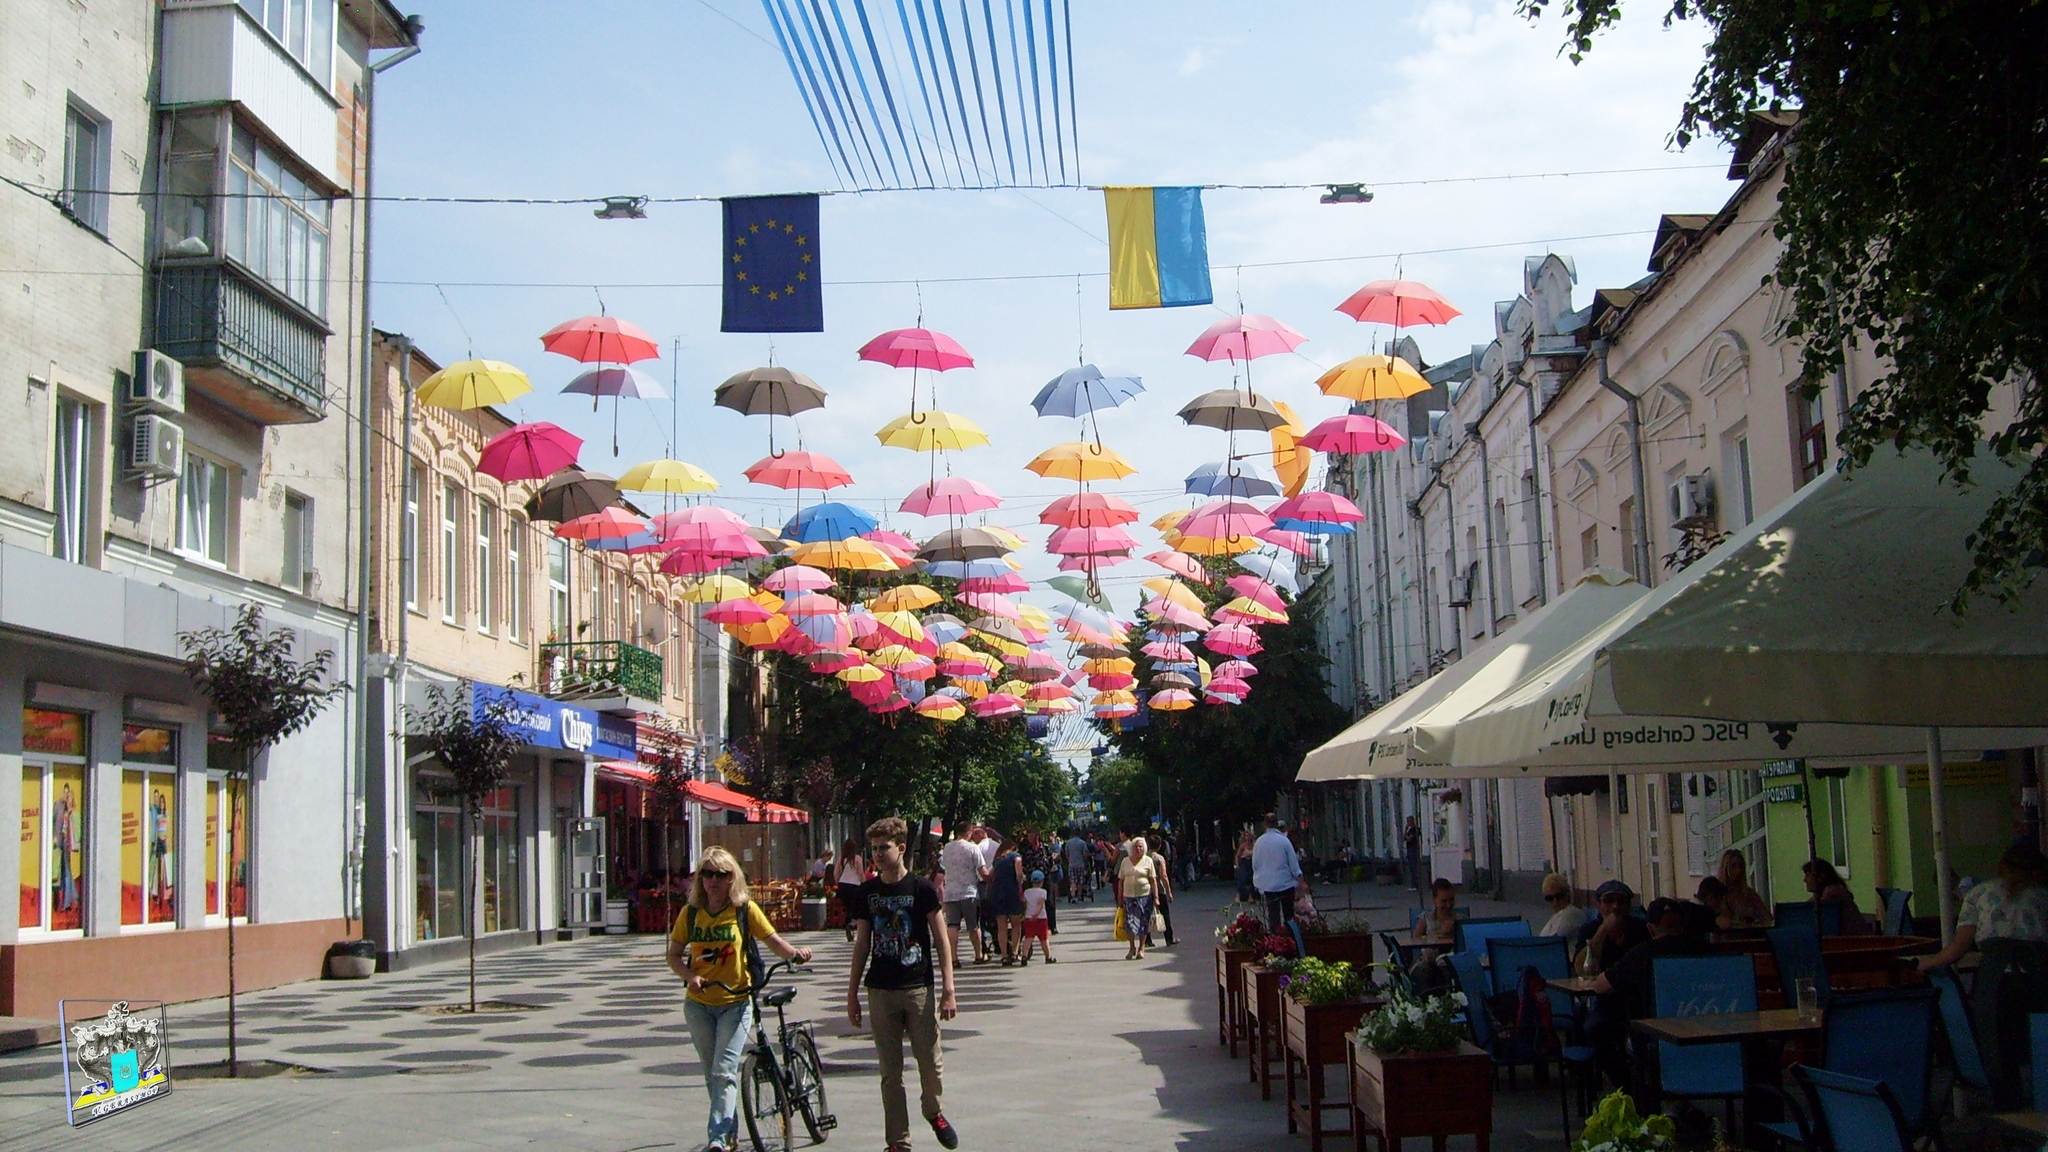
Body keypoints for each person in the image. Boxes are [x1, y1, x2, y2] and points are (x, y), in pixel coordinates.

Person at [667, 847, 814, 1152]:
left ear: (732, 877)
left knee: (723, 1069)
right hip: (699, 1004)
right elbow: (673, 955)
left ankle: (718, 1139)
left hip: (736, 1001)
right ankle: (729, 1132)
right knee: (713, 1072)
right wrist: (688, 975)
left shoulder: (744, 910)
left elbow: (772, 940)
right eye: (707, 874)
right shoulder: (691, 913)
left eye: (721, 874)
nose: (713, 881)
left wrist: (795, 955)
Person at [847, 816, 961, 1152]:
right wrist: (852, 993)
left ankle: (934, 1111)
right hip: (880, 990)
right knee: (889, 1073)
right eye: (874, 849)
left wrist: (948, 989)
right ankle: (898, 1141)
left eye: (885, 847)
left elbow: (941, 939)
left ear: (901, 847)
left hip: (917, 990)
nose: (879, 854)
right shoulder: (868, 892)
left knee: (930, 1064)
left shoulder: (921, 889)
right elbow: (862, 943)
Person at [1920, 842, 2048, 1106]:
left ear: (2002, 867)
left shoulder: (1980, 894)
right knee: (2038, 1042)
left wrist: (1929, 962)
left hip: (1994, 979)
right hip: (2036, 977)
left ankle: (2007, 1106)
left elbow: (1957, 948)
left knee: (1997, 1046)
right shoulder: (2043, 896)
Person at [1589, 896, 1713, 1093]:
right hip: (1709, 1035)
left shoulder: (1642, 954)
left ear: (1651, 929)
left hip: (1654, 1039)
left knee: (1598, 1030)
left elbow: (1601, 987)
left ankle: (1632, 1091)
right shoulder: (1707, 951)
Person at [938, 829, 987, 965]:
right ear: (968, 833)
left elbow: (942, 865)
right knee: (973, 926)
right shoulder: (972, 848)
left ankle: (953, 958)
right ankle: (978, 955)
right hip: (969, 892)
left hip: (951, 893)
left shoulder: (946, 848)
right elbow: (982, 870)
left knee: (952, 926)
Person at [1581, 880, 1651, 975]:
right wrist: (1603, 929)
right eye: (1609, 901)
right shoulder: (1589, 929)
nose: (1615, 906)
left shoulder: (1641, 928)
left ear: (1629, 905)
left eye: (1621, 901)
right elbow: (1580, 968)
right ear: (1598, 905)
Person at [1251, 813, 1306, 933]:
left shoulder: (1259, 843)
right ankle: (1292, 939)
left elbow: (1255, 864)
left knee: (1273, 915)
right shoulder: (1284, 841)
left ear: (1265, 825)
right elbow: (1294, 865)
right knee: (1289, 915)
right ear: (1276, 824)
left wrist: (1258, 881)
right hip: (1286, 883)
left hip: (1268, 885)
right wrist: (1301, 882)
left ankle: (1275, 942)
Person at [1119, 837, 1162, 961]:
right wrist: (1120, 898)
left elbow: (1153, 880)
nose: (1138, 849)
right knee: (1130, 923)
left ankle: (1141, 948)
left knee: (1143, 923)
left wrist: (1156, 897)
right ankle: (1132, 947)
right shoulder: (1125, 861)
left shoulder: (1148, 861)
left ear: (1145, 848)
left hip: (1144, 896)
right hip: (1128, 897)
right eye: (1136, 846)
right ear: (1132, 848)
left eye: (1141, 846)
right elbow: (1121, 881)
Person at [1802, 857, 1872, 933]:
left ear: (1821, 876)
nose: (1805, 880)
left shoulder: (1832, 891)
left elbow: (1810, 908)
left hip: (1855, 940)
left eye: (1808, 875)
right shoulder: (1827, 891)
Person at [988, 838, 1026, 965]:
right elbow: (1019, 872)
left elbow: (990, 876)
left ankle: (1004, 955)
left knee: (1001, 927)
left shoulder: (997, 861)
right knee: (1016, 924)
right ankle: (1015, 952)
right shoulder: (1015, 856)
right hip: (1012, 893)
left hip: (998, 894)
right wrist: (1021, 880)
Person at [1716, 848, 1770, 927]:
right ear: (1725, 868)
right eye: (1733, 866)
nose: (1738, 870)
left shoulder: (1749, 894)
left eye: (1741, 866)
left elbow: (1768, 918)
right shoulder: (1717, 894)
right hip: (1725, 937)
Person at [1538, 873, 1588, 940]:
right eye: (1550, 898)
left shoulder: (1572, 914)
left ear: (1567, 894)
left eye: (1559, 896)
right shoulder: (1558, 915)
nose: (1555, 902)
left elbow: (1554, 940)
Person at [1019, 870, 1055, 964]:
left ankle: (1024, 956)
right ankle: (1048, 957)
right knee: (1044, 938)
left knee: (1028, 938)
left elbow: (1024, 904)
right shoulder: (1043, 892)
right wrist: (1036, 914)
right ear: (1042, 882)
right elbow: (1040, 903)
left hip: (1028, 917)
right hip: (1041, 918)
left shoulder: (1026, 892)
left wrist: (1024, 915)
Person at [836, 838, 868, 943]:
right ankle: (851, 924)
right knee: (856, 907)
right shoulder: (857, 858)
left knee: (848, 907)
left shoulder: (841, 859)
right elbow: (860, 873)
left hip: (843, 885)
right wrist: (865, 884)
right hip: (855, 886)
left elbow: (836, 874)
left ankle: (849, 924)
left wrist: (838, 883)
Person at [1062, 829, 1091, 902]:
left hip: (1072, 864)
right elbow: (1085, 854)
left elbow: (1066, 853)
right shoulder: (1082, 843)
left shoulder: (1068, 843)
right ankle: (1079, 896)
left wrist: (1069, 860)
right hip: (1080, 864)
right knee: (1080, 881)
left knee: (1073, 881)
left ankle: (1073, 895)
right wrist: (1086, 861)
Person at [1402, 815, 1423, 897]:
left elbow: (1409, 839)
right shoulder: (1409, 830)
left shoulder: (1415, 829)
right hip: (1410, 849)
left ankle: (1415, 885)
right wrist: (1405, 830)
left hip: (1414, 849)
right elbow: (1404, 838)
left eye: (1408, 821)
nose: (1408, 823)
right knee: (1411, 867)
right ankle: (1413, 884)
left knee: (1414, 867)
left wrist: (1407, 836)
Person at [1234, 829, 1257, 904]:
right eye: (1246, 836)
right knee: (1243, 879)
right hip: (1244, 862)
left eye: (1249, 835)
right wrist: (1237, 864)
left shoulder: (1254, 845)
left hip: (1251, 863)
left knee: (1251, 880)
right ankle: (1238, 896)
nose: (1247, 837)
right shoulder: (1243, 846)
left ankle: (1250, 896)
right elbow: (1237, 856)